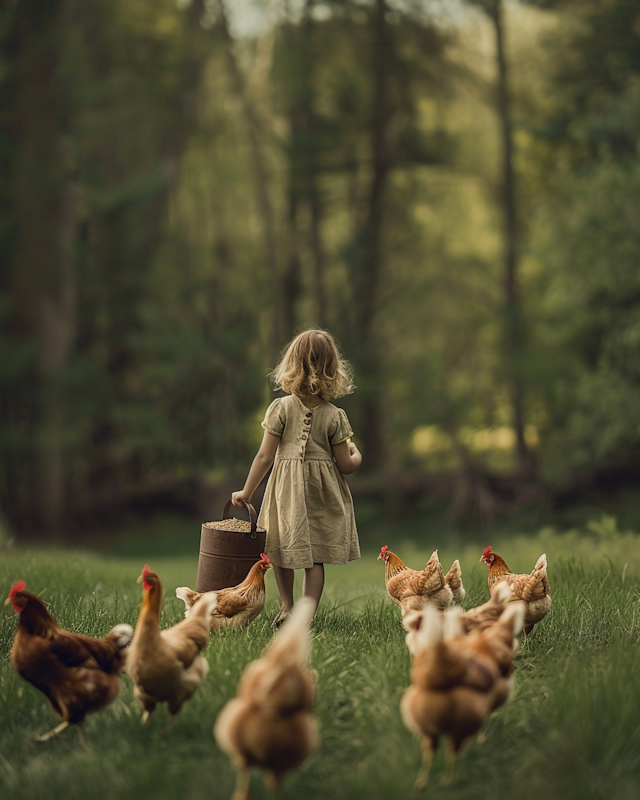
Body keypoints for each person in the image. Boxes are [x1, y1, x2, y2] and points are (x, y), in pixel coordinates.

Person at [232, 329, 362, 625]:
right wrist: (356, 454)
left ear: (292, 364)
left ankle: (287, 607)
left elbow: (264, 456)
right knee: (314, 556)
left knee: (280, 549)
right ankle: (305, 615)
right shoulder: (335, 415)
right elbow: (345, 464)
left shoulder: (281, 408)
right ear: (332, 368)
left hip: (285, 490)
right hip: (321, 492)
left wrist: (247, 491)